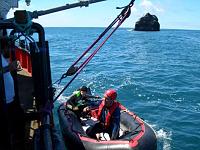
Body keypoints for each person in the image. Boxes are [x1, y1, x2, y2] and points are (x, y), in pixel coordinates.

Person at [0, 36, 25, 150]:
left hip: (9, 98)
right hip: (4, 100)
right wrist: (9, 67)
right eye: (8, 47)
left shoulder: (2, 57)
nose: (9, 50)